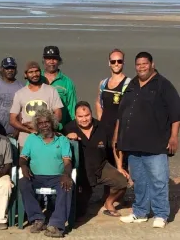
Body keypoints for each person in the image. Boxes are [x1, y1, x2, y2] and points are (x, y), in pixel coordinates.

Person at [115, 52, 180, 228]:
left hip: (156, 143)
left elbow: (176, 113)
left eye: (144, 64)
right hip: (133, 144)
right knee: (139, 180)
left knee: (158, 180)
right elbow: (122, 113)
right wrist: (119, 137)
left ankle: (161, 214)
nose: (141, 67)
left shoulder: (163, 85)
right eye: (138, 64)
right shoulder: (132, 84)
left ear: (152, 64)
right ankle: (140, 212)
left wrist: (174, 137)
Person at [64, 101, 128, 218]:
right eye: (80, 116)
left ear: (91, 114)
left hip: (101, 167)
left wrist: (119, 167)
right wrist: (67, 138)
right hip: (81, 172)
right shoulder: (68, 128)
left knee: (122, 182)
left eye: (87, 115)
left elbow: (114, 147)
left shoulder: (102, 127)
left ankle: (108, 203)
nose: (84, 119)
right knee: (78, 214)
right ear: (75, 116)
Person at [18, 108, 73, 238]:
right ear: (37, 125)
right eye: (41, 123)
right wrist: (23, 165)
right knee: (23, 183)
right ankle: (38, 219)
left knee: (67, 186)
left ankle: (56, 225)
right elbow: (23, 157)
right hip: (35, 176)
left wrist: (66, 174)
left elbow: (67, 162)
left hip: (56, 177)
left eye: (47, 122)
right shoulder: (32, 138)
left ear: (52, 123)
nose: (44, 126)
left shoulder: (62, 139)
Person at [10, 61, 63, 147]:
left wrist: (40, 126)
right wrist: (29, 130)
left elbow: (59, 114)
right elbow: (12, 120)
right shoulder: (19, 94)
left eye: (36, 71)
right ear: (25, 75)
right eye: (31, 72)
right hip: (26, 142)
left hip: (47, 140)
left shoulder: (51, 90)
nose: (34, 74)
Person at [95, 49, 131, 167]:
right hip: (105, 129)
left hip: (121, 130)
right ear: (109, 63)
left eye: (119, 61)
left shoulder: (129, 84)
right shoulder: (103, 83)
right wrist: (101, 121)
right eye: (113, 61)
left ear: (123, 63)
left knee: (121, 163)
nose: (116, 64)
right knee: (107, 162)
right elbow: (99, 102)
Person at [0, 57, 24, 137]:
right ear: (2, 69)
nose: (10, 70)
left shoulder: (22, 88)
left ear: (16, 69)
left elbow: (23, 112)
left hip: (18, 132)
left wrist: (18, 130)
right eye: (7, 68)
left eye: (12, 68)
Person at [41, 46, 77, 128]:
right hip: (37, 129)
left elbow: (72, 109)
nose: (51, 62)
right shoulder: (35, 79)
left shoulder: (67, 82)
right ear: (44, 60)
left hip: (60, 129)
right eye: (48, 58)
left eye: (54, 59)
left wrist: (72, 129)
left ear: (59, 61)